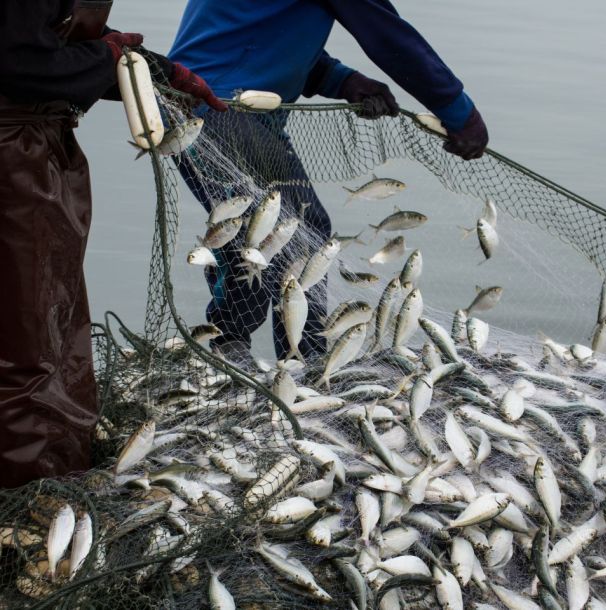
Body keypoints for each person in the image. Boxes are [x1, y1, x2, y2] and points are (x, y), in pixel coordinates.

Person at [168, 0, 489, 365]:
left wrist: (341, 79)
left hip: (231, 107)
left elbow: (262, 30)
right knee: (272, 232)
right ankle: (250, 353)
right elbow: (388, 38)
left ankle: (293, 357)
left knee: (292, 230)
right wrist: (458, 110)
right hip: (215, 110)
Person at [0, 0, 226, 488]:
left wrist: (156, 71)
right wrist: (107, 59)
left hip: (34, 147)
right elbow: (19, 65)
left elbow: (49, 43)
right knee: (26, 338)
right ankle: (33, 493)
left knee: (51, 321)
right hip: (11, 160)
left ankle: (58, 468)